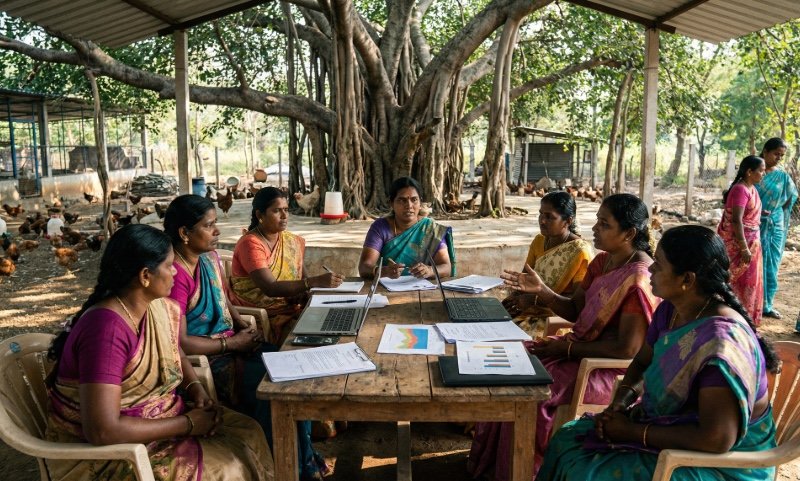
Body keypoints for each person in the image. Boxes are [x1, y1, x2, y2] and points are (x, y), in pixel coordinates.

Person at [538, 225, 779, 481]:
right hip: (671, 428)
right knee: (567, 438)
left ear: (687, 279)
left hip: (722, 462)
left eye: (660, 265)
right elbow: (642, 362)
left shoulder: (720, 344)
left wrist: (631, 431)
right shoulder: (670, 311)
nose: (650, 268)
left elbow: (717, 438)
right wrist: (620, 403)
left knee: (590, 473)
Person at [44, 224, 274, 481]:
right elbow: (102, 430)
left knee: (248, 431)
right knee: (226, 467)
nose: (175, 271)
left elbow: (174, 352)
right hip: (111, 454)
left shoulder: (155, 308)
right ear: (145, 276)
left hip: (162, 418)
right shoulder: (106, 331)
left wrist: (196, 389)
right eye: (168, 265)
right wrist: (188, 424)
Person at [469, 193, 659, 480]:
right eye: (597, 220)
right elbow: (575, 310)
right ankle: (496, 466)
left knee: (528, 392)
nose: (595, 228)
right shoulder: (603, 262)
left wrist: (567, 352)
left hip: (605, 369)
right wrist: (543, 291)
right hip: (576, 350)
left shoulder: (638, 279)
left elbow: (627, 349)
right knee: (507, 362)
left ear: (629, 233)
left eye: (604, 224)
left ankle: (524, 472)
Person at [164, 194, 328, 481]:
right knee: (275, 388)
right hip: (209, 357)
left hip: (232, 343)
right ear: (184, 233)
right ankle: (289, 467)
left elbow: (223, 299)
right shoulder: (174, 275)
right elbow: (179, 342)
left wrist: (240, 324)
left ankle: (302, 458)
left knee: (296, 369)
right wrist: (230, 344)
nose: (217, 232)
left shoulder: (209, 258)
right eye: (209, 225)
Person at [228, 187, 344, 346]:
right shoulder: (251, 244)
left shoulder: (290, 242)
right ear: (260, 215)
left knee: (335, 323)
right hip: (263, 315)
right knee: (315, 338)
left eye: (286, 210)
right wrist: (313, 282)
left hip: (291, 308)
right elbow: (271, 288)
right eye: (277, 211)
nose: (284, 216)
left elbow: (304, 280)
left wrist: (303, 292)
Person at [503, 191, 593, 334]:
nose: (542, 221)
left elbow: (577, 303)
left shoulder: (580, 251)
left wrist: (535, 299)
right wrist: (514, 296)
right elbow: (525, 279)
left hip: (554, 319)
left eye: (550, 217)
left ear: (568, 221)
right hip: (527, 310)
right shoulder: (539, 241)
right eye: (541, 214)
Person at [358, 176, 455, 279]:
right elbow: (364, 267)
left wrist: (430, 270)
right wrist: (383, 271)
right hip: (387, 289)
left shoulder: (431, 229)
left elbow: (446, 267)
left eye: (414, 200)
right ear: (391, 203)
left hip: (423, 289)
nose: (409, 205)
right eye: (402, 200)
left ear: (420, 203)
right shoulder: (381, 227)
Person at [717, 155, 766, 326]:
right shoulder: (740, 190)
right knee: (738, 281)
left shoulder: (751, 188)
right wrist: (744, 248)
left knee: (749, 280)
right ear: (749, 171)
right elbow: (736, 220)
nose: (763, 174)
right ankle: (734, 318)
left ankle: (746, 318)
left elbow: (746, 214)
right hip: (740, 244)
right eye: (761, 170)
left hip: (753, 241)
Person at [755, 138, 798, 320]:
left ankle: (767, 305)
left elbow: (791, 198)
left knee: (772, 264)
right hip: (754, 226)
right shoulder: (753, 171)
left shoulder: (782, 177)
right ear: (765, 151)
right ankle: (752, 303)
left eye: (782, 155)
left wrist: (774, 212)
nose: (779, 158)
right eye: (776, 154)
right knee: (754, 264)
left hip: (776, 226)